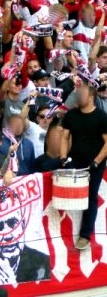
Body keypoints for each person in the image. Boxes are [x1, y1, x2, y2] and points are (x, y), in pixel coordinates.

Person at [0, 186, 51, 285]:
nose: (8, 236)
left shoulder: (41, 262)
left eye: (13, 223)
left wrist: (10, 280)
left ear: (23, 225)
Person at [60, 85, 107, 250]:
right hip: (75, 160)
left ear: (91, 98)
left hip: (95, 164)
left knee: (91, 197)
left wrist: (96, 161)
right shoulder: (71, 115)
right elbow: (64, 137)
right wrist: (63, 158)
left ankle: (85, 235)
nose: (78, 97)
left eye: (82, 94)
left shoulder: (102, 117)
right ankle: (62, 232)